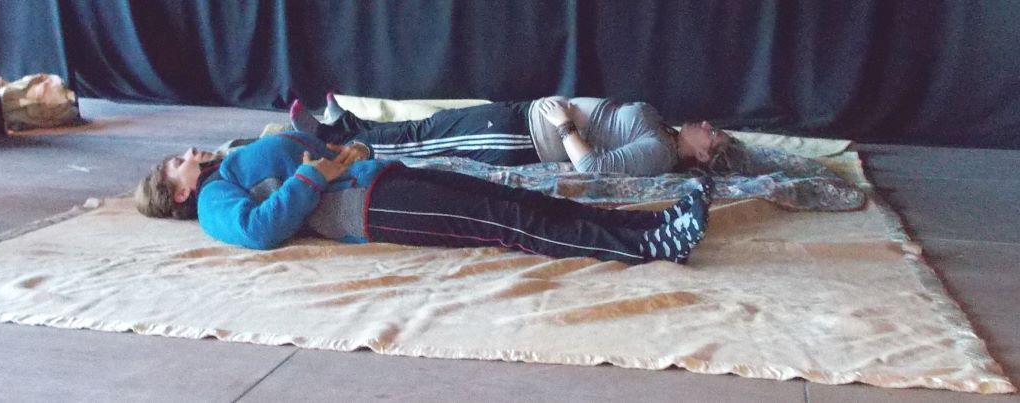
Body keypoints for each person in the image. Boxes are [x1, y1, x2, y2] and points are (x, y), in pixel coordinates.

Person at [134, 130, 714, 265]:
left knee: (516, 197)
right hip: (365, 209)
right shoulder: (212, 201)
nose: (186, 153)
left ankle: (648, 224)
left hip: (377, 178)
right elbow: (260, 230)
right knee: (506, 219)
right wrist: (313, 175)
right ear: (179, 192)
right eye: (174, 163)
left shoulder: (231, 158)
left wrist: (340, 151)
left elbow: (303, 157)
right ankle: (650, 249)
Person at [288, 93, 733, 176]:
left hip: (520, 138)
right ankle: (348, 124)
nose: (707, 125)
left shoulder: (657, 152)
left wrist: (564, 123)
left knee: (423, 139)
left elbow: (592, 166)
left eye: (712, 135)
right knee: (428, 127)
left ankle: (331, 141)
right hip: (520, 117)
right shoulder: (661, 128)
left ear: (701, 157)